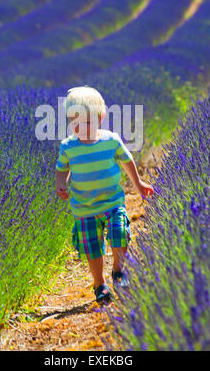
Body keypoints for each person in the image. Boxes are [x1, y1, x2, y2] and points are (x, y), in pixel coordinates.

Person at [55, 86, 154, 303]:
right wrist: (61, 184)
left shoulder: (110, 140)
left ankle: (118, 270)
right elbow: (62, 169)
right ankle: (99, 284)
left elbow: (127, 161)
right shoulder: (68, 146)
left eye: (87, 122)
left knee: (119, 233)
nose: (82, 128)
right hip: (84, 207)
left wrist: (138, 184)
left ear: (100, 118)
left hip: (112, 202)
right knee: (92, 248)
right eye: (76, 123)